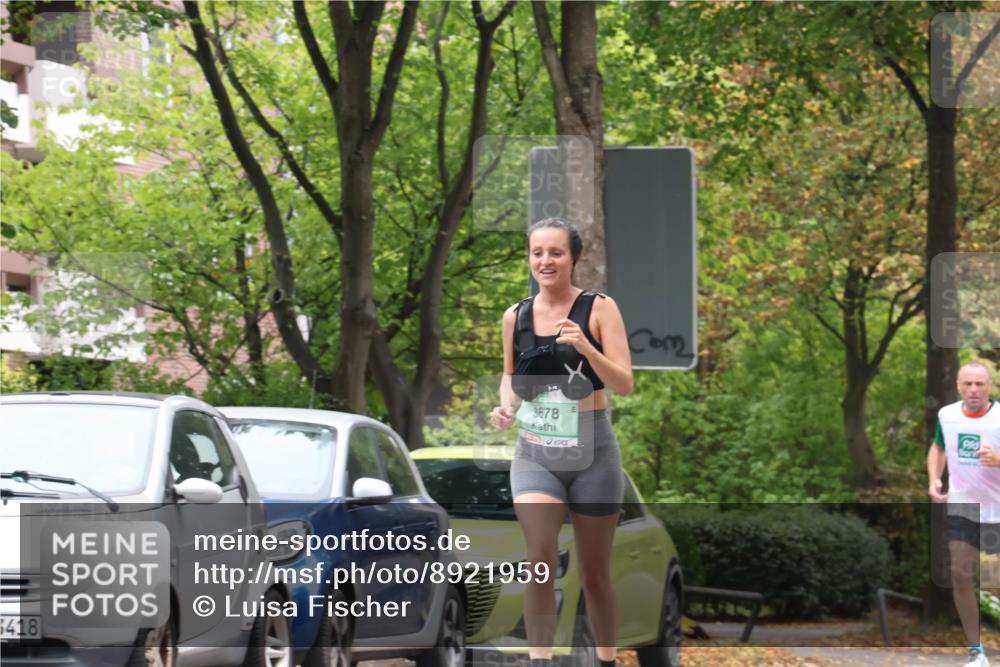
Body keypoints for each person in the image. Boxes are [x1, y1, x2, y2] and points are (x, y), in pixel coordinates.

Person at [490, 218, 634, 667]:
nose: (545, 261)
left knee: (594, 574)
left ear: (574, 259)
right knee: (539, 560)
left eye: (555, 253)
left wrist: (588, 349)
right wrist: (505, 407)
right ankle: (540, 661)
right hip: (536, 451)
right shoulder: (515, 316)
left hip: (593, 451)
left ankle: (606, 660)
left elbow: (625, 384)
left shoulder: (600, 308)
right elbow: (510, 376)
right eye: (537, 253)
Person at [927, 361, 1000, 667]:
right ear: (958, 386)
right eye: (967, 384)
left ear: (990, 386)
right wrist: (934, 477)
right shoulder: (947, 415)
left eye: (979, 384)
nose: (973, 390)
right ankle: (976, 650)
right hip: (963, 506)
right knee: (959, 573)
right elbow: (938, 446)